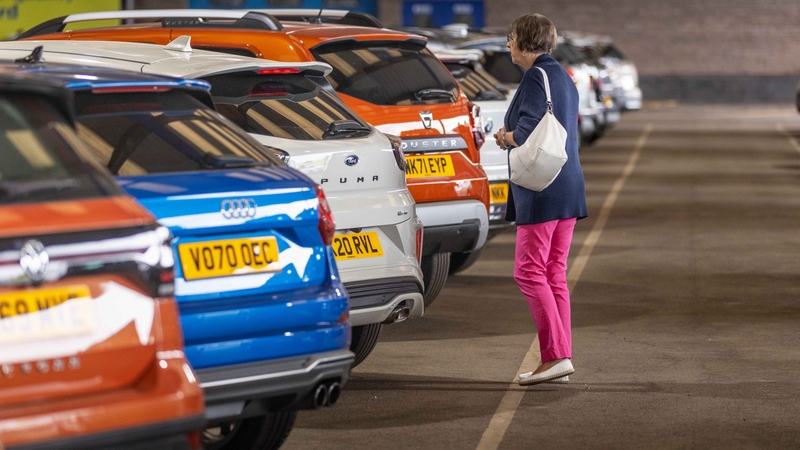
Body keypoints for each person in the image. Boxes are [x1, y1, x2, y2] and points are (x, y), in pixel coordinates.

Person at [493, 13, 588, 386]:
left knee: (529, 271)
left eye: (511, 38)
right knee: (554, 274)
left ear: (526, 42)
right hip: (568, 186)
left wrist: (505, 137)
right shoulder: (563, 76)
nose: (508, 45)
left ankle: (554, 357)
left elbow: (529, 130)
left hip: (542, 188)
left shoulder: (536, 76)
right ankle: (560, 357)